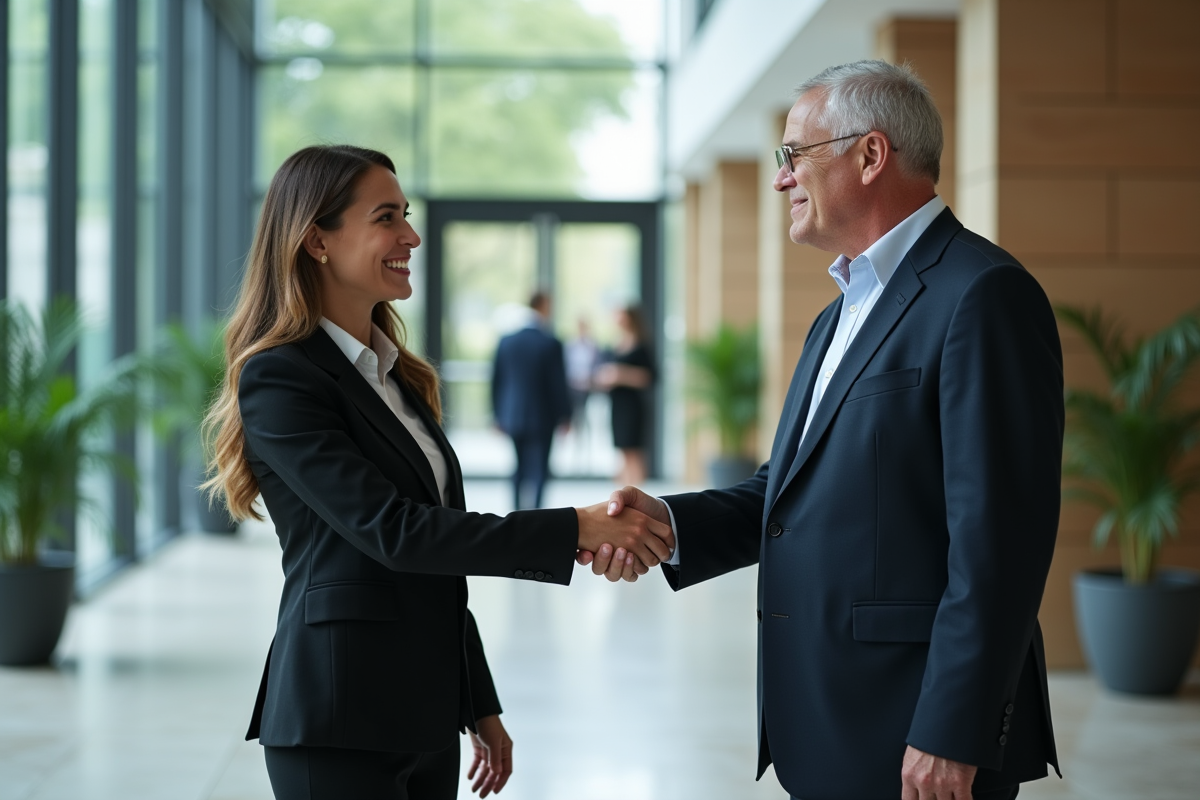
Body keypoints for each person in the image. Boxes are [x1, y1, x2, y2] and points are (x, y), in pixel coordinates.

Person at [589, 61, 1063, 800]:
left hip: (916, 727)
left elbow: (1001, 542)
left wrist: (953, 728)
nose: (781, 178)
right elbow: (787, 493)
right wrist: (669, 524)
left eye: (793, 155)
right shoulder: (836, 312)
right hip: (829, 717)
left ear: (870, 155)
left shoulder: (983, 293)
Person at [202, 145, 674, 800]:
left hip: (424, 712)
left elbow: (439, 556)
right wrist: (575, 527)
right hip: (338, 713)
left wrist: (477, 700)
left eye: (407, 215)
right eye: (386, 218)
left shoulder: (397, 377)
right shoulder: (281, 376)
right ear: (317, 240)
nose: (411, 236)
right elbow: (396, 532)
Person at [491, 291, 572, 510]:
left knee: (518, 467)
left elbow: (497, 381)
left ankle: (516, 513)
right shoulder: (550, 342)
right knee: (540, 470)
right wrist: (566, 415)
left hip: (512, 415)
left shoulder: (506, 341)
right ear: (543, 306)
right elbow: (558, 384)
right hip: (543, 417)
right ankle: (536, 515)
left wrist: (497, 415)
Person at [593, 305, 655, 484]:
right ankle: (626, 489)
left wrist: (621, 375)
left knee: (634, 450)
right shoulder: (615, 345)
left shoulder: (640, 345)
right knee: (622, 451)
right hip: (617, 404)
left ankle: (637, 492)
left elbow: (649, 377)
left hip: (632, 405)